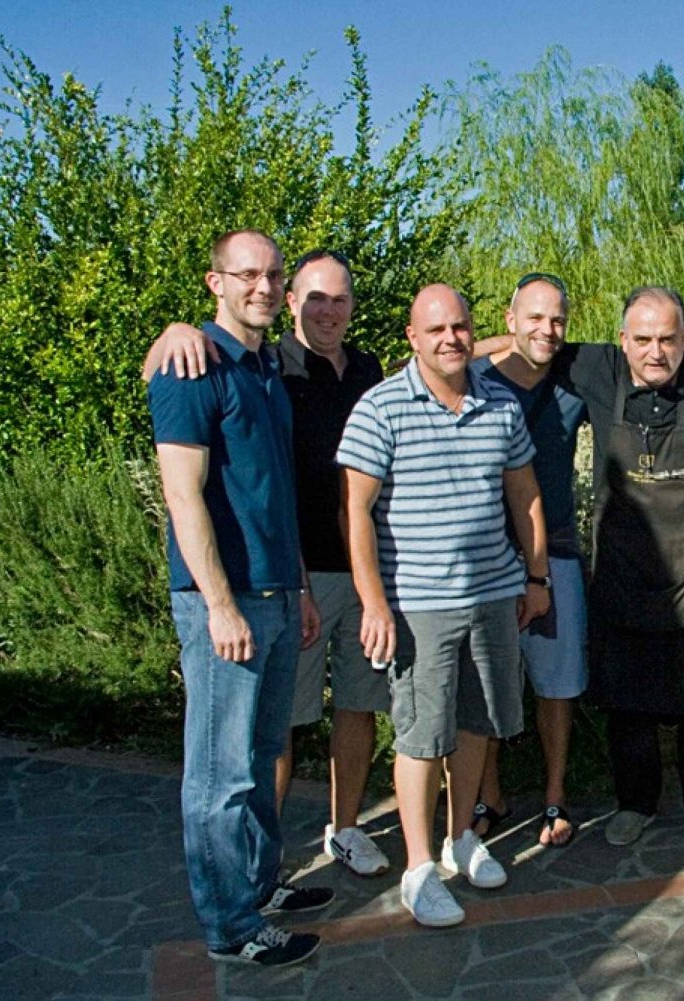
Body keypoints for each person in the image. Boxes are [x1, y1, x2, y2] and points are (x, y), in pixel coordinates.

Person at [145, 250, 392, 878]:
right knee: (269, 735)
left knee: (352, 709)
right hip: (278, 576)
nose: (328, 309)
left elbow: (454, 350)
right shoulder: (260, 363)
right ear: (290, 303)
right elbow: (182, 456)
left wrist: (519, 333)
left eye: (339, 298)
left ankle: (338, 833)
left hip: (343, 569)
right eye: (314, 297)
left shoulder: (365, 369)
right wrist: (172, 332)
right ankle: (254, 875)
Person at [147, 229, 333, 969]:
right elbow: (182, 494)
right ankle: (230, 924)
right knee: (220, 772)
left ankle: (258, 884)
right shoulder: (189, 365)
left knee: (261, 753)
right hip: (224, 599)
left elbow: (272, 493)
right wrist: (220, 605)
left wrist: (299, 587)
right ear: (214, 281)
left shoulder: (261, 367)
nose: (260, 284)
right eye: (245, 273)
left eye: (271, 273)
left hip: (278, 593)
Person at [338, 284, 550, 927]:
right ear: (413, 337)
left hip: (493, 594)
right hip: (419, 605)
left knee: (478, 722)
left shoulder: (501, 406)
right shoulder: (379, 409)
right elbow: (355, 511)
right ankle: (420, 868)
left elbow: (525, 494)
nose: (451, 339)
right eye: (436, 330)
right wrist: (374, 604)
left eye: (460, 327)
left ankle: (463, 840)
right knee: (421, 735)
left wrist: (534, 576)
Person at [544, 287, 684, 846]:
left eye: (668, 339)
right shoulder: (597, 368)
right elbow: (529, 343)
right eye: (642, 339)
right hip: (623, 564)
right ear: (622, 340)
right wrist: (451, 351)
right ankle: (635, 804)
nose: (655, 351)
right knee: (628, 698)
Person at [467, 272, 589, 847]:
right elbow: (418, 357)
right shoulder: (472, 380)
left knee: (556, 687)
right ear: (510, 319)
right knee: (487, 686)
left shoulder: (574, 382)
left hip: (555, 555)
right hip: (486, 560)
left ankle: (554, 796)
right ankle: (488, 797)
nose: (547, 329)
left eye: (557, 319)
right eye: (534, 317)